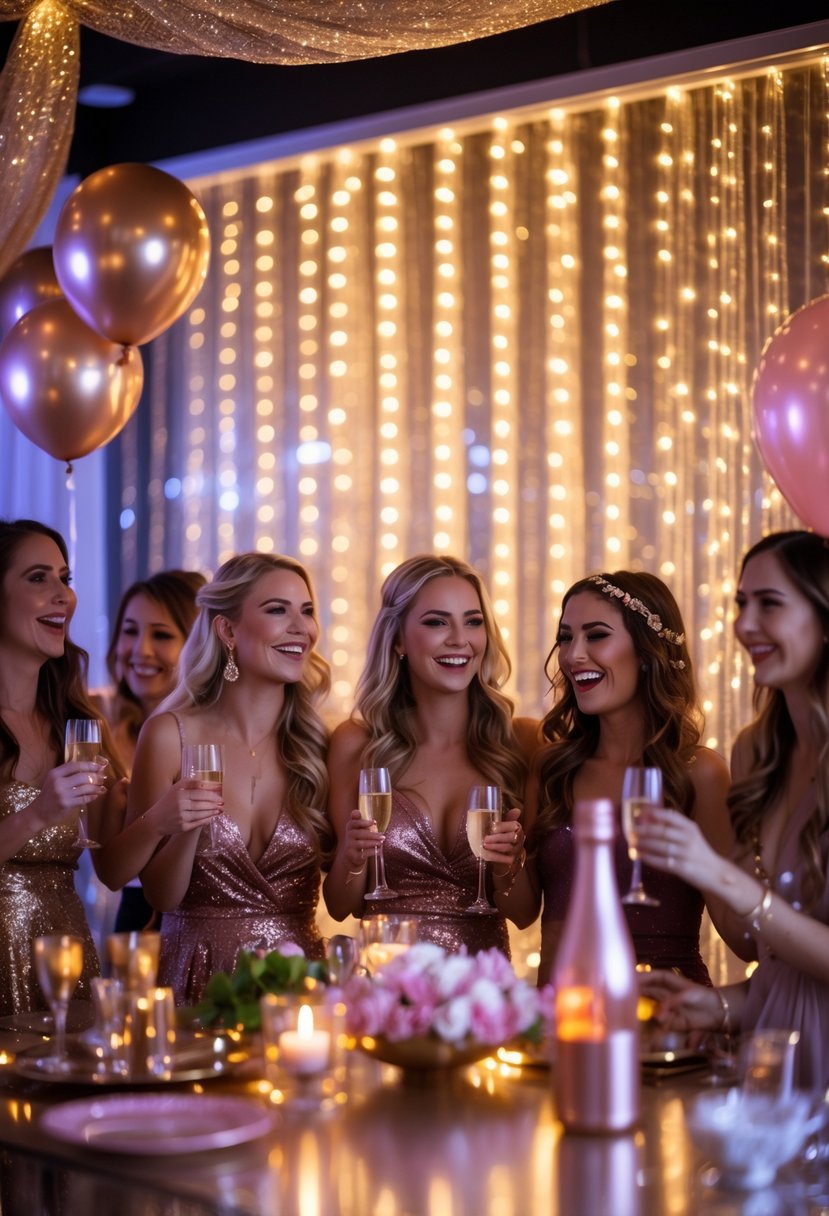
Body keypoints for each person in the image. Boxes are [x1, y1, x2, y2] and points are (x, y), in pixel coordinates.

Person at [637, 531, 829, 1089]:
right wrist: (717, 1006)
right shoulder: (756, 752)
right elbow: (780, 972)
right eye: (742, 604)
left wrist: (716, 872)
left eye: (770, 604)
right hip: (772, 1073)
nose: (745, 626)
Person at [498, 570, 732, 987]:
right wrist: (503, 865)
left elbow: (741, 939)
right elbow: (523, 911)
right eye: (566, 637)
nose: (573, 656)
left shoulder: (698, 773)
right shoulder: (553, 766)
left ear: (647, 652)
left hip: (664, 1023)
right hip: (563, 1017)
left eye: (596, 635)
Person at [121, 552, 331, 1005]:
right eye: (278, 609)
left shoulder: (320, 745)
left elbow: (345, 891)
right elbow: (161, 895)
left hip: (298, 990)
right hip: (195, 979)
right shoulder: (168, 735)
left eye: (307, 610)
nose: (302, 627)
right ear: (228, 629)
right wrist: (184, 826)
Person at [324, 554, 537, 955]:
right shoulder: (357, 743)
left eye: (473, 622)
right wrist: (351, 858)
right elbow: (340, 906)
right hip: (386, 990)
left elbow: (524, 914)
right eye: (437, 622)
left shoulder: (520, 743)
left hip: (482, 999)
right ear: (399, 639)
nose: (460, 639)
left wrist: (508, 867)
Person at [0, 519, 125, 1015]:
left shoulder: (76, 723)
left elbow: (113, 866)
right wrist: (39, 812)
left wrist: (159, 812)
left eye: (65, 578)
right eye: (38, 578)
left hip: (66, 958)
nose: (63, 596)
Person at [97, 569, 205, 932]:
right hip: (134, 917)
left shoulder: (215, 731)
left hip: (204, 917)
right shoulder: (96, 723)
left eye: (161, 635)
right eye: (130, 631)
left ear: (198, 645)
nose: (140, 650)